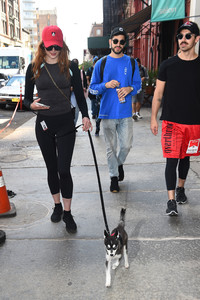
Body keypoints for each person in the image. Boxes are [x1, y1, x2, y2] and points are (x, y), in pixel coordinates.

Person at [24, 25, 92, 233]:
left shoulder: (71, 67)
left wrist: (87, 115)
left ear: (62, 46)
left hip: (65, 122)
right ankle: (57, 206)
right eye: (49, 46)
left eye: (57, 46)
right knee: (51, 168)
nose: (53, 50)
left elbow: (80, 96)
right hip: (43, 124)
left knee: (64, 169)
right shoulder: (34, 67)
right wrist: (31, 105)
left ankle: (68, 213)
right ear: (42, 46)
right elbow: (26, 99)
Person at [150, 21, 200, 216]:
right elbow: (158, 94)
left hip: (195, 123)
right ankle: (171, 201)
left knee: (186, 157)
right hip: (172, 122)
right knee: (171, 160)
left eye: (188, 36)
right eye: (180, 36)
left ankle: (180, 189)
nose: (183, 40)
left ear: (196, 39)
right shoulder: (167, 64)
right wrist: (153, 118)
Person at [89, 27, 141, 192]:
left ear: (125, 44)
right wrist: (106, 85)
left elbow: (138, 85)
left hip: (125, 113)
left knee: (125, 145)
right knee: (111, 148)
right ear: (110, 42)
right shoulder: (101, 63)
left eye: (122, 42)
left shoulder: (131, 62)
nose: (118, 44)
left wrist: (129, 89)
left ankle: (118, 165)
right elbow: (92, 89)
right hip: (107, 113)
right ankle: (113, 177)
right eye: (116, 41)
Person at [71, 58, 88, 124]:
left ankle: (74, 124)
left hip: (77, 93)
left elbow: (84, 80)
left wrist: (85, 87)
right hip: (70, 95)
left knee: (76, 110)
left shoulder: (79, 71)